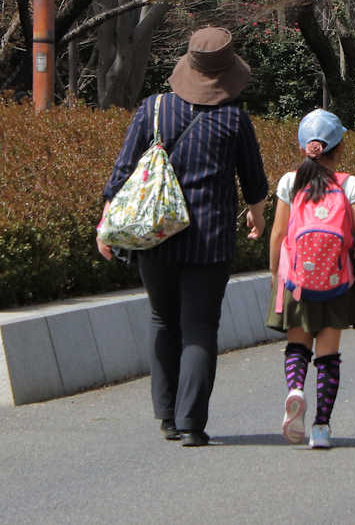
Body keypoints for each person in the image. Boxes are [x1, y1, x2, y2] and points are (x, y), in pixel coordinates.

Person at [98, 26, 269, 447]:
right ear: (228, 72)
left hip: (155, 234)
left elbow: (123, 171)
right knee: (199, 327)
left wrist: (107, 224)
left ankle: (166, 417)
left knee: (162, 319)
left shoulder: (154, 109)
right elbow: (253, 181)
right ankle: (191, 423)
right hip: (210, 239)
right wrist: (257, 216)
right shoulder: (234, 119)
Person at [265, 109, 355, 449]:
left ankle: (295, 389)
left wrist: (275, 272)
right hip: (338, 280)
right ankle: (321, 428)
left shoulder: (290, 182)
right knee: (328, 358)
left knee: (297, 346)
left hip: (296, 281)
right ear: (339, 147)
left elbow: (278, 234)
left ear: (304, 147)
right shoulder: (348, 183)